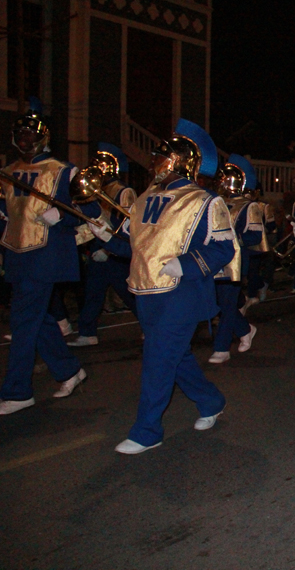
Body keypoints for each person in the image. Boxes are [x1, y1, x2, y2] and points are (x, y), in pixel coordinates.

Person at [95, 118, 240, 454]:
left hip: (182, 293)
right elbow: (133, 245)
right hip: (145, 291)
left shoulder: (205, 200)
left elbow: (223, 247)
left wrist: (186, 264)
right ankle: (210, 400)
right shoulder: (144, 197)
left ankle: (147, 430)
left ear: (180, 162)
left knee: (158, 358)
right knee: (175, 357)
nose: (154, 162)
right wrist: (105, 233)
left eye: (162, 156)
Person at [0, 97, 98, 415]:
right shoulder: (8, 172)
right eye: (20, 134)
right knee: (36, 320)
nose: (24, 139)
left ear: (42, 137)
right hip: (17, 254)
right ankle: (69, 370)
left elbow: (88, 210)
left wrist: (62, 215)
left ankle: (17, 391)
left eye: (31, 133)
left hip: (46, 255)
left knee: (24, 321)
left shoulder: (63, 172)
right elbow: (8, 211)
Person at [68, 143, 137, 347]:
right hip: (98, 245)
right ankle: (87, 332)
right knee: (93, 292)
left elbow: (125, 224)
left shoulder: (123, 191)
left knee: (128, 293)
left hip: (116, 251)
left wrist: (108, 248)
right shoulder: (94, 189)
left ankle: (150, 325)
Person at [208, 154, 261, 363]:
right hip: (216, 259)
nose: (223, 182)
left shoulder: (250, 206)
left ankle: (221, 348)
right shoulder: (216, 202)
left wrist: (231, 236)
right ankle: (245, 329)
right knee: (219, 303)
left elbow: (255, 235)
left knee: (228, 304)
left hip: (236, 261)